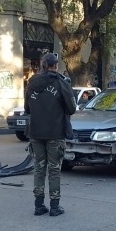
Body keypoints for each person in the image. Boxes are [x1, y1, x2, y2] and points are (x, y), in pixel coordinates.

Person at [24, 53, 77, 216]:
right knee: (54, 170)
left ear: (43, 65)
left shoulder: (32, 83)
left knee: (39, 169)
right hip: (55, 133)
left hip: (35, 132)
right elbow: (72, 108)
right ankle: (54, 206)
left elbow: (27, 108)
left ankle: (38, 205)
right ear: (56, 66)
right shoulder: (61, 83)